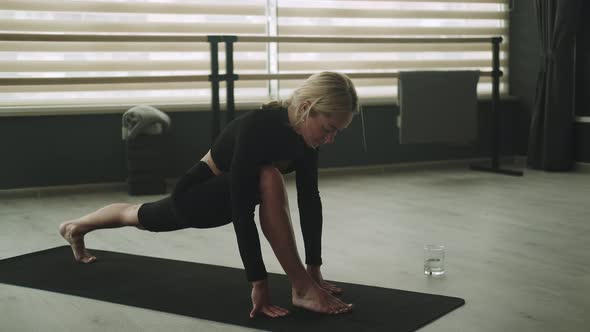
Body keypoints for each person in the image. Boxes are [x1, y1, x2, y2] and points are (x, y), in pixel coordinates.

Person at [59, 71, 359, 318]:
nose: (330, 139)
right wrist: (258, 280)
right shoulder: (258, 126)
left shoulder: (307, 139)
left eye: (338, 133)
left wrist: (314, 267)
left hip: (229, 198)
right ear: (307, 107)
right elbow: (243, 210)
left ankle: (75, 227)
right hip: (196, 198)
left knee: (137, 213)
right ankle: (301, 289)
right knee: (141, 215)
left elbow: (309, 199)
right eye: (328, 128)